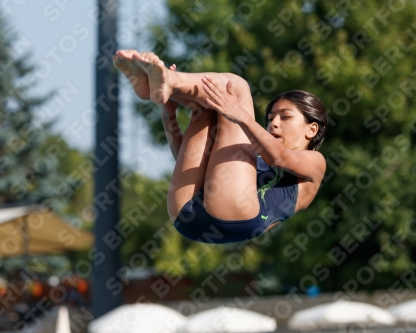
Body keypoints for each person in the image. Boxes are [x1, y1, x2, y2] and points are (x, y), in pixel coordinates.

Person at [113, 50, 328, 244]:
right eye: (271, 118)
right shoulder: (248, 161)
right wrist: (168, 116)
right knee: (206, 106)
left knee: (235, 88)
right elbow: (189, 161)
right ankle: (159, 86)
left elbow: (280, 158)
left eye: (285, 117)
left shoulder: (315, 162)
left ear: (311, 129)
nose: (274, 123)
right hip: (186, 213)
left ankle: (168, 80)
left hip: (237, 217)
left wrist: (241, 115)